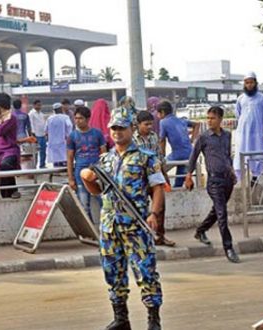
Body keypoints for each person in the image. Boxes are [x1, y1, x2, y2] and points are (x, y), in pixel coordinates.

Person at [80, 109, 165, 330]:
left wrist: (153, 214)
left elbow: (157, 188)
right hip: (109, 225)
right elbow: (97, 191)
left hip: (135, 224)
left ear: (132, 129)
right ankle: (121, 318)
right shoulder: (105, 160)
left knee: (145, 271)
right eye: (113, 128)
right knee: (113, 271)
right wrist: (87, 179)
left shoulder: (146, 157)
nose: (117, 132)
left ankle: (153, 320)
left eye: (121, 128)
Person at [185, 106, 240, 263]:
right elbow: (193, 157)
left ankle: (200, 231)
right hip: (214, 181)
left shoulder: (227, 136)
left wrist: (232, 172)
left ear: (220, 119)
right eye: (208, 118)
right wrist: (188, 176)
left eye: (213, 118)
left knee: (217, 211)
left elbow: (227, 156)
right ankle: (228, 248)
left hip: (227, 179)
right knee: (222, 214)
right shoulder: (203, 137)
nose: (209, 121)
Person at [134, 110, 175, 247]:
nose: (149, 127)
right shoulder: (133, 140)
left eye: (151, 124)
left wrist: (165, 176)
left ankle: (160, 236)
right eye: (146, 124)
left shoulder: (154, 137)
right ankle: (143, 238)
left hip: (155, 176)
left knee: (160, 207)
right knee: (141, 208)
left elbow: (160, 157)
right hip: (139, 178)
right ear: (138, 125)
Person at [67, 106, 106, 223]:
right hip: (79, 174)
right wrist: (70, 178)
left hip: (97, 174)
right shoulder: (72, 136)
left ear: (88, 119)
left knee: (104, 203)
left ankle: (106, 229)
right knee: (84, 205)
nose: (78, 121)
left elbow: (104, 154)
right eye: (76, 118)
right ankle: (92, 234)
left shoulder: (98, 133)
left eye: (81, 118)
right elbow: (69, 158)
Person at [233, 71, 263, 186]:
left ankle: (255, 176)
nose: (249, 85)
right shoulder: (240, 99)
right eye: (247, 83)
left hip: (258, 133)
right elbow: (238, 114)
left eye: (251, 82)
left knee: (257, 153)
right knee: (240, 153)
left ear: (255, 83)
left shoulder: (262, 99)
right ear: (244, 84)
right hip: (243, 132)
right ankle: (239, 178)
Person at [158, 100, 198, 188]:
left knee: (158, 171)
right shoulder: (181, 120)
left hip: (177, 154)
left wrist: (162, 156)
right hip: (190, 154)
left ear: (162, 112)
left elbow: (162, 140)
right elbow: (196, 124)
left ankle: (164, 189)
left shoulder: (163, 122)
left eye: (158, 113)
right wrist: (192, 139)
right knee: (179, 183)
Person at [0, 92, 21, 199]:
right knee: (2, 178)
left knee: (5, 166)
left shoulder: (11, 118)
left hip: (9, 150)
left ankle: (13, 191)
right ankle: (8, 194)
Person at [45, 102, 73, 167]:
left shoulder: (50, 118)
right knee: (64, 156)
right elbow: (69, 127)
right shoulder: (65, 117)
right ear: (61, 109)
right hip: (63, 140)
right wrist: (69, 137)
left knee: (55, 157)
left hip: (52, 142)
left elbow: (46, 130)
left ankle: (56, 169)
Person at [12, 99, 35, 171]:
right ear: (21, 106)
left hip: (14, 136)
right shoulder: (25, 115)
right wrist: (30, 137)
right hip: (24, 136)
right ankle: (23, 168)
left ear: (13, 106)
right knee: (24, 153)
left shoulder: (11, 115)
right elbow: (29, 127)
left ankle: (16, 168)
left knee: (14, 152)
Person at [28, 99, 47, 168]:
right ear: (34, 105)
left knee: (43, 151)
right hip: (36, 135)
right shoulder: (31, 113)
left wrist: (45, 133)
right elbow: (31, 124)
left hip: (42, 134)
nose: (39, 106)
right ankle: (34, 166)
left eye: (40, 105)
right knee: (35, 152)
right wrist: (32, 134)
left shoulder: (41, 114)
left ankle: (42, 165)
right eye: (38, 105)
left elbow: (44, 124)